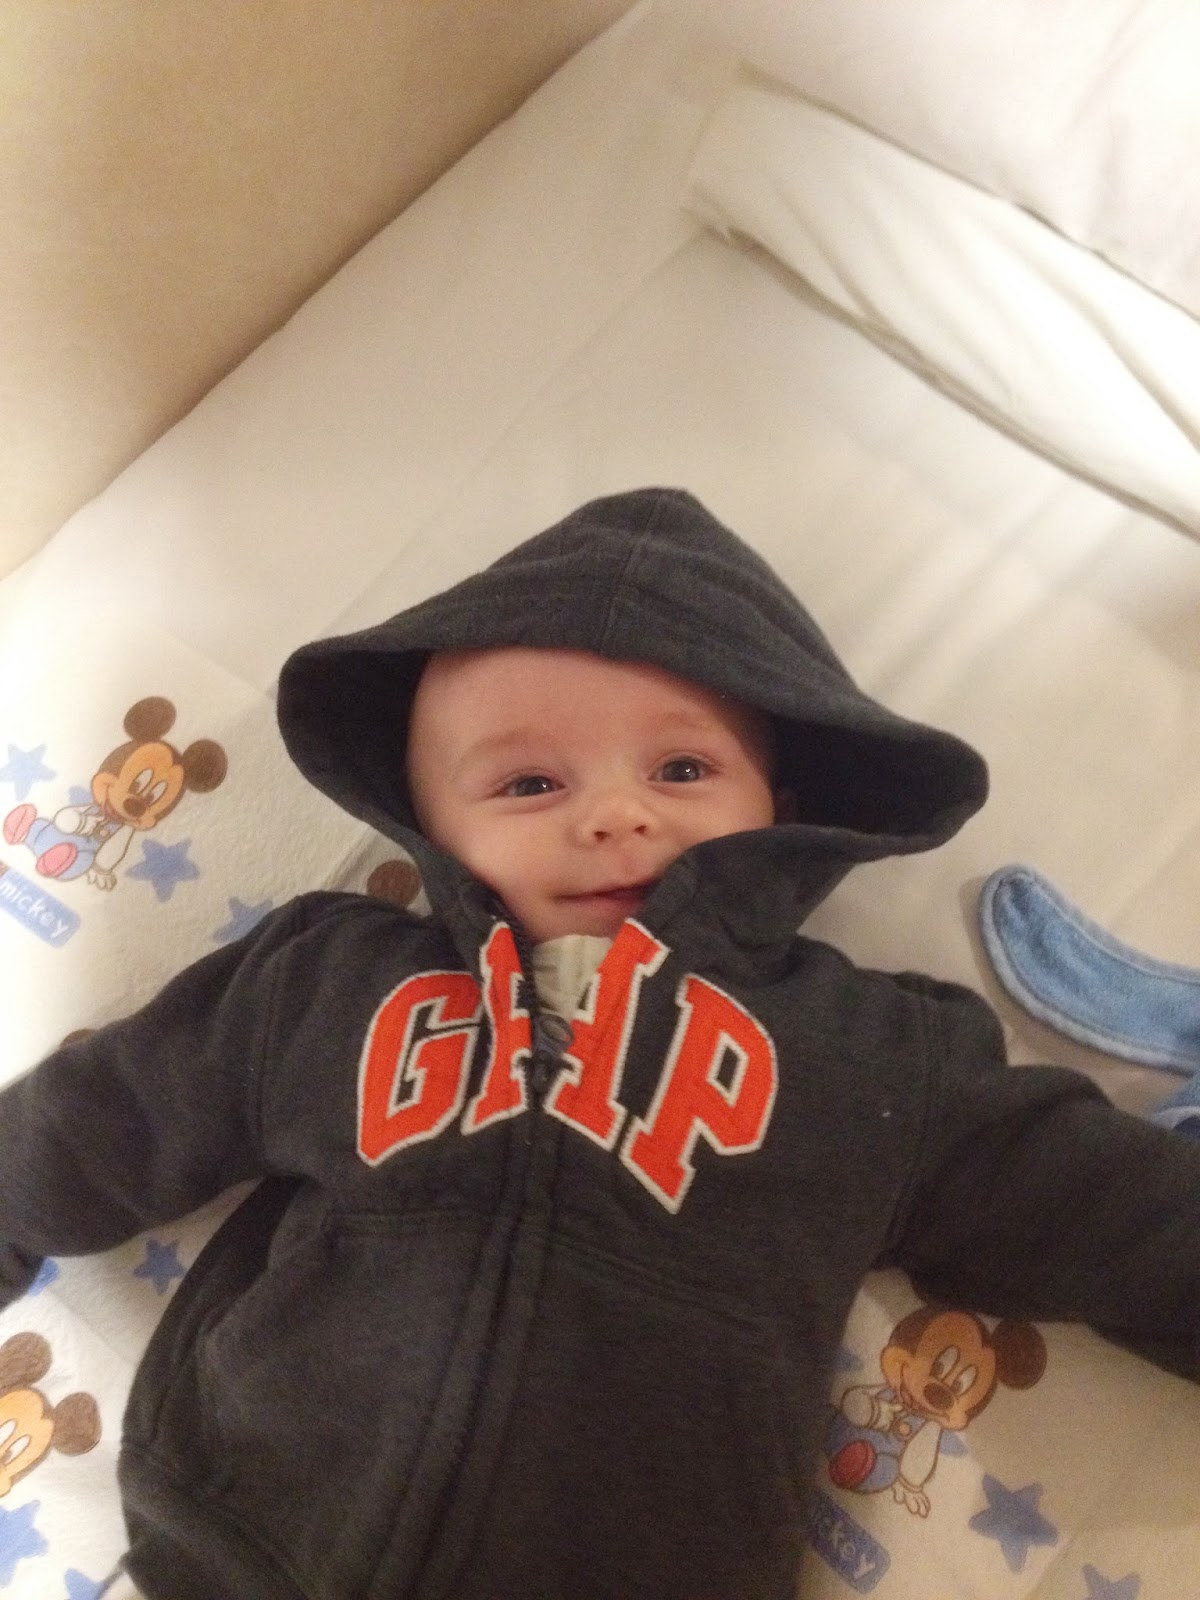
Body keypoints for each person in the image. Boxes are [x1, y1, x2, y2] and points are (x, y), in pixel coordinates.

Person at [1, 487, 1197, 1600]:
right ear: (429, 822)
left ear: (781, 810)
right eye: (529, 783)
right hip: (254, 1541)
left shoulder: (873, 1057)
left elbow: (1103, 1209)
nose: (617, 814)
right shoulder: (326, 979)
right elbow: (110, 1115)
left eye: (683, 768)